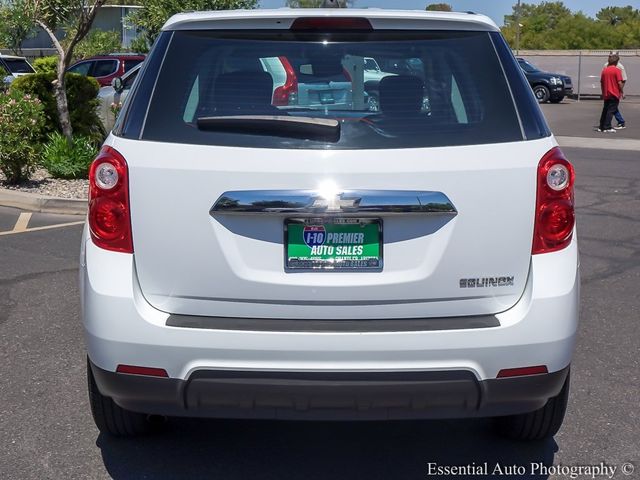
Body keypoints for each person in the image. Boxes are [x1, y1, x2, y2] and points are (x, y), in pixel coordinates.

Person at [596, 54, 624, 133]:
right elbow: (619, 82)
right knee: (611, 110)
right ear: (616, 62)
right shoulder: (617, 70)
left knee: (605, 110)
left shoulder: (604, 70)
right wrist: (622, 91)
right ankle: (607, 127)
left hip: (606, 93)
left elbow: (601, 82)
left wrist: (603, 92)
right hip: (614, 93)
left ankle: (601, 126)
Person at [603, 51, 627, 129]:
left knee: (612, 107)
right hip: (608, 90)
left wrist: (621, 91)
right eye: (609, 56)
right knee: (611, 107)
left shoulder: (619, 67)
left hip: (615, 89)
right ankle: (618, 122)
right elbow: (603, 78)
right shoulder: (606, 65)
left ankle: (619, 122)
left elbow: (623, 80)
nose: (609, 57)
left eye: (611, 56)